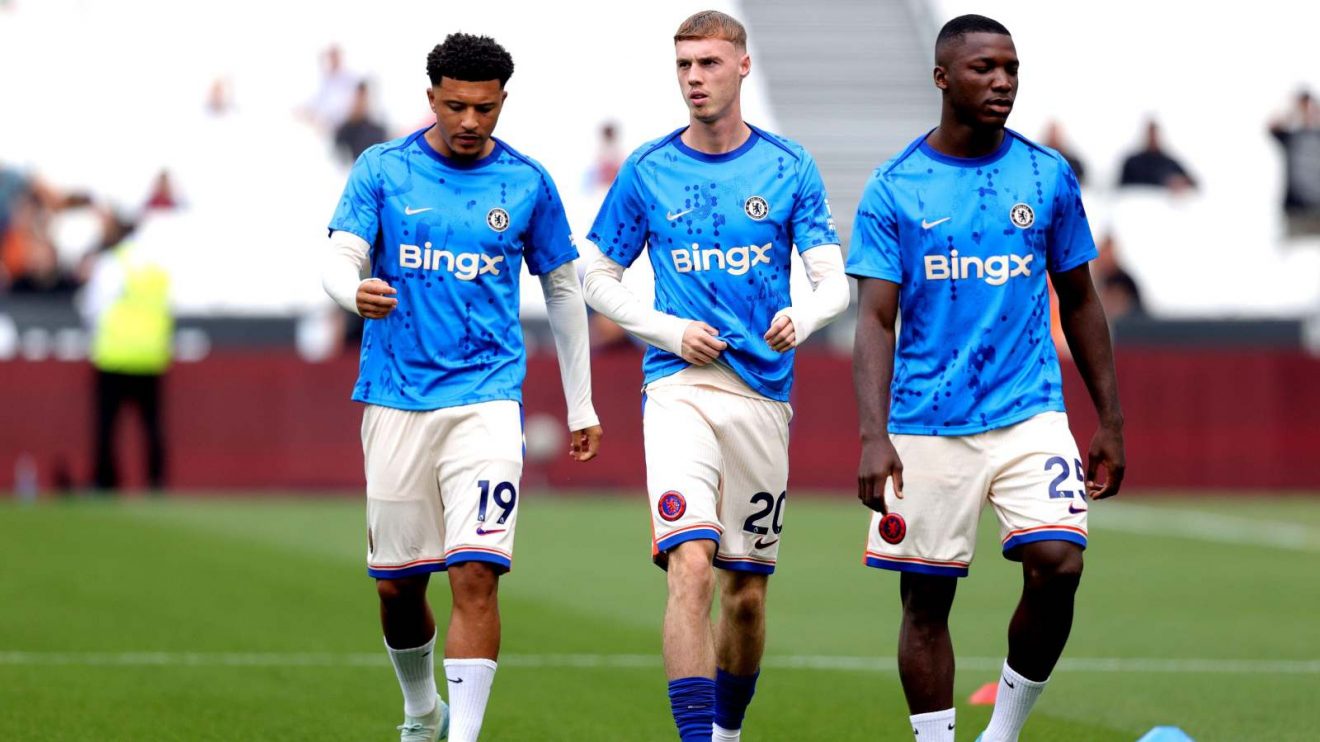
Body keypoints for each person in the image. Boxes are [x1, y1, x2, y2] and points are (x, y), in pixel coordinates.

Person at [847, 15, 1125, 742]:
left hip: (1030, 409)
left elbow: (1081, 297)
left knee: (1059, 564)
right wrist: (874, 435)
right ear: (943, 78)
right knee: (927, 603)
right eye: (983, 69)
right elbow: (875, 321)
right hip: (926, 422)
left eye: (1010, 67)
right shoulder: (896, 187)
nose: (1001, 81)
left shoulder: (1046, 175)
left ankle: (1000, 734)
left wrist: (1111, 420)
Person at [320, 33, 603, 742]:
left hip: (486, 399)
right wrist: (352, 294)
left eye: (484, 108)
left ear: (502, 100)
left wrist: (580, 402)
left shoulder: (527, 183)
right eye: (455, 106)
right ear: (431, 99)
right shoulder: (383, 169)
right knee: (397, 586)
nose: (470, 122)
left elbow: (564, 292)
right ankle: (422, 713)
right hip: (395, 398)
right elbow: (339, 255)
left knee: (476, 573)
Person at [583, 11, 849, 742]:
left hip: (762, 395)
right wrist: (667, 330)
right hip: (676, 387)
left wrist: (807, 314)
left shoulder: (788, 165)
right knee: (690, 567)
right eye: (684, 65)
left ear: (741, 66)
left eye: (707, 63)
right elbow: (597, 275)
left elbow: (834, 282)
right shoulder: (648, 168)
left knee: (746, 599)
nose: (694, 78)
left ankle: (727, 733)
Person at [77, 217, 171, 491]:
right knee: (152, 425)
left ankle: (106, 480)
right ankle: (156, 481)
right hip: (150, 356)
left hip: (115, 356)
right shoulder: (157, 268)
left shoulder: (113, 264)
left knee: (107, 425)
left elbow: (93, 307)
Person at [1268, 89, 1320, 236]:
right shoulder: (1291, 137)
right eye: (1304, 108)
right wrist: (1292, 111)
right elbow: (1272, 126)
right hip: (1296, 214)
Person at [1118, 118, 1195, 192]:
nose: (1152, 137)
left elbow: (1193, 183)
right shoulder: (1132, 162)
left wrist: (1180, 182)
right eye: (1150, 134)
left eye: (1155, 134)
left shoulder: (1169, 163)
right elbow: (1122, 188)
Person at [334, 80, 389, 166]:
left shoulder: (378, 129)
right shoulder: (345, 129)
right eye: (357, 98)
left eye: (363, 98)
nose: (359, 103)